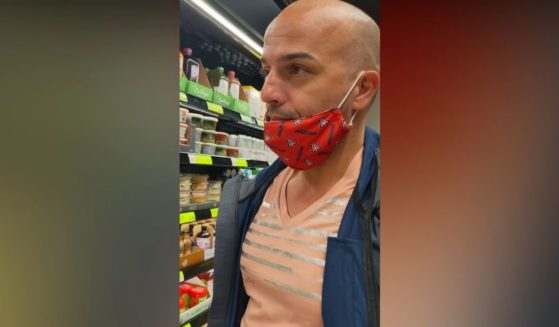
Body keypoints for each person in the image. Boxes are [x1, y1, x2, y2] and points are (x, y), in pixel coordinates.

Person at [208, 0, 380, 326]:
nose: (267, 91)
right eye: (266, 71)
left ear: (361, 89)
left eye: (296, 69)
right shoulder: (250, 196)